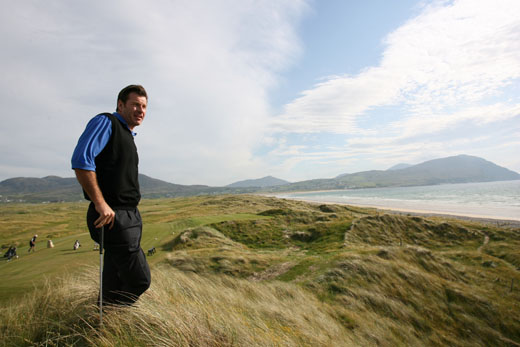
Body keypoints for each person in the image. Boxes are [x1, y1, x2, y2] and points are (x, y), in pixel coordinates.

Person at [71, 85, 151, 306]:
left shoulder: (127, 135)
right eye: (135, 104)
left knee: (114, 279)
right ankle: (115, 318)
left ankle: (103, 326)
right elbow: (81, 161)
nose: (140, 110)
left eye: (144, 106)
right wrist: (100, 203)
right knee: (139, 280)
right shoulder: (107, 123)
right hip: (112, 216)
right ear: (120, 104)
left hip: (128, 216)